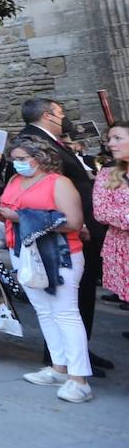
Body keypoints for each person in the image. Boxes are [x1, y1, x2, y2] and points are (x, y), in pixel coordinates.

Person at [0, 135, 93, 402]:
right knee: (44, 312)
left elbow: (73, 222)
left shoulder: (59, 183)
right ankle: (59, 368)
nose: (16, 163)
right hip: (23, 252)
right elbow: (12, 210)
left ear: (39, 158)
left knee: (66, 313)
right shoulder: (15, 181)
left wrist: (20, 217)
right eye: (13, 159)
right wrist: (1, 213)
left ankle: (79, 379)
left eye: (22, 159)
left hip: (58, 254)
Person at [16, 97, 110, 375]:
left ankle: (79, 349)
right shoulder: (33, 141)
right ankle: (65, 358)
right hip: (64, 231)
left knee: (82, 294)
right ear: (47, 115)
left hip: (80, 225)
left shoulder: (49, 140)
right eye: (61, 113)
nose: (64, 118)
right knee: (67, 301)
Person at [92, 124, 129, 331]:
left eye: (117, 138)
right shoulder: (107, 174)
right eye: (109, 139)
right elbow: (101, 211)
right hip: (123, 248)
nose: (111, 144)